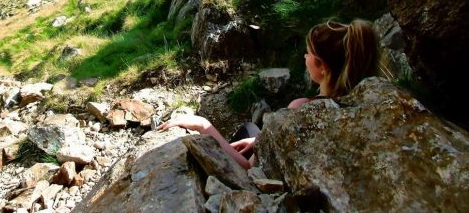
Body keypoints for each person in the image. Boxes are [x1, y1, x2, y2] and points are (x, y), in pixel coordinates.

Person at [157, 19, 380, 168]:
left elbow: (249, 168)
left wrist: (203, 126)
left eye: (309, 54)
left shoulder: (301, 108)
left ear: (323, 67)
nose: (304, 57)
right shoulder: (363, 99)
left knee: (245, 131)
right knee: (251, 130)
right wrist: (262, 139)